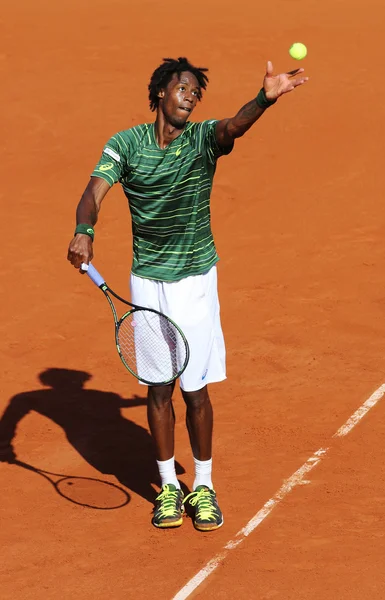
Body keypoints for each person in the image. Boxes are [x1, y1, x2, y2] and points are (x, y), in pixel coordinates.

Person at [67, 56, 308, 531]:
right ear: (160, 92)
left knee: (195, 391)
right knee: (158, 388)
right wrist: (84, 229)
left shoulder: (202, 140)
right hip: (148, 283)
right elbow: (94, 190)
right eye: (183, 88)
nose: (191, 96)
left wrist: (264, 99)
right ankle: (168, 491)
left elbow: (233, 127)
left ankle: (203, 486)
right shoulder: (126, 144)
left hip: (195, 281)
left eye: (197, 92)